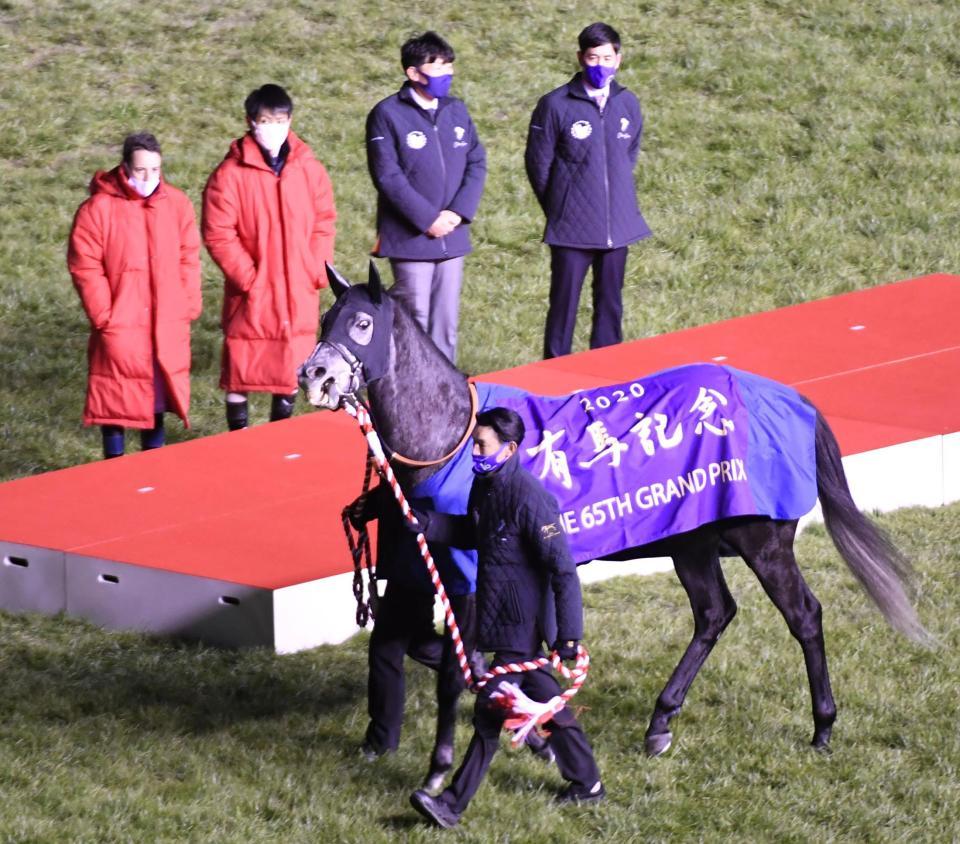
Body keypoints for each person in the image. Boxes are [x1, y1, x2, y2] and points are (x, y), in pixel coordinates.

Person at [409, 407, 604, 829]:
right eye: (474, 443)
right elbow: (475, 535)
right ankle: (587, 783)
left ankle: (451, 806)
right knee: (549, 704)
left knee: (488, 713)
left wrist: (569, 636)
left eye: (482, 445)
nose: (475, 451)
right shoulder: (486, 486)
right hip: (499, 617)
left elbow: (563, 570)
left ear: (509, 448)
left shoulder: (532, 500)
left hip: (524, 624)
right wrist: (428, 524)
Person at [203, 83, 336, 430]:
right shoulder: (229, 175)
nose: (273, 127)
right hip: (253, 292)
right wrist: (248, 278)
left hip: (298, 287)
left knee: (290, 367)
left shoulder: (309, 169)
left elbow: (324, 221)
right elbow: (218, 233)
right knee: (241, 368)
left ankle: (279, 435)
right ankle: (238, 436)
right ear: (250, 122)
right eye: (265, 120)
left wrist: (315, 269)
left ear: (290, 120)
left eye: (279, 119)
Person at [67, 132, 201, 459]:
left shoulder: (177, 204)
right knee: (113, 404)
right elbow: (85, 265)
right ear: (125, 167)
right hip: (121, 326)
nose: (149, 178)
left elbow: (189, 256)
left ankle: (151, 473)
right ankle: (113, 471)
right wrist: (104, 315)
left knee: (155, 402)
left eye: (156, 170)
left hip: (163, 323)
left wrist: (187, 305)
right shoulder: (97, 210)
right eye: (141, 171)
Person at [525, 22, 652, 359]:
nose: (601, 65)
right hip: (571, 229)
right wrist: (561, 207)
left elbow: (628, 156)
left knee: (610, 304)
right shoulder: (554, 105)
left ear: (619, 59)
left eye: (608, 58)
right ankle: (553, 373)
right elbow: (538, 165)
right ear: (581, 58)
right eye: (594, 58)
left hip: (618, 227)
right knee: (563, 306)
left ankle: (608, 371)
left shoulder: (628, 103)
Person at [366, 31, 486, 363]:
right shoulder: (387, 114)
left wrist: (458, 213)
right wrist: (428, 219)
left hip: (453, 235)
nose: (446, 75)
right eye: (438, 67)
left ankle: (445, 391)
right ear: (413, 73)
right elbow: (388, 177)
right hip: (410, 239)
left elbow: (476, 160)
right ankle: (409, 391)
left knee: (446, 325)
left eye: (449, 66)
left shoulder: (456, 110)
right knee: (412, 321)